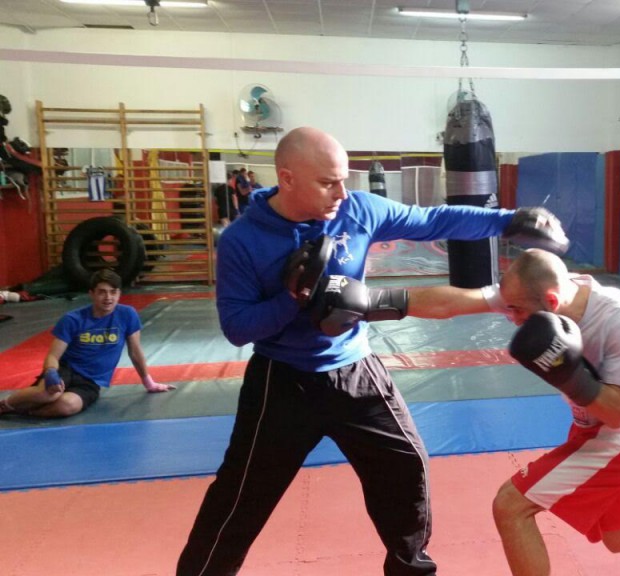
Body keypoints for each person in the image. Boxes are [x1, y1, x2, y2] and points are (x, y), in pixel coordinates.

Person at [176, 126, 568, 576]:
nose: (341, 192)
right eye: (327, 182)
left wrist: (510, 220)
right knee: (239, 498)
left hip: (356, 372)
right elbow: (237, 328)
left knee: (407, 471)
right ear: (286, 178)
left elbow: (432, 220)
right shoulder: (243, 240)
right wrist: (293, 299)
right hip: (281, 382)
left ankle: (410, 570)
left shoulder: (357, 209)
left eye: (344, 179)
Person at [398, 249, 620, 576]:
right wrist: (377, 304)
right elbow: (451, 301)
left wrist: (570, 374)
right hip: (587, 430)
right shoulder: (532, 290)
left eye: (517, 311)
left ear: (550, 302)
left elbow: (619, 413)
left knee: (510, 506)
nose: (512, 318)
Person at [0, 269, 175, 419]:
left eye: (113, 292)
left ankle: (26, 412)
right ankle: (4, 405)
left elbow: (135, 352)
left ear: (119, 294)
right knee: (47, 393)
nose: (108, 297)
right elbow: (53, 355)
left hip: (90, 381)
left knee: (67, 406)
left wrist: (149, 383)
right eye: (102, 292)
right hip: (67, 369)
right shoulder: (73, 319)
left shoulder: (127, 315)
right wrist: (51, 372)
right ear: (91, 293)